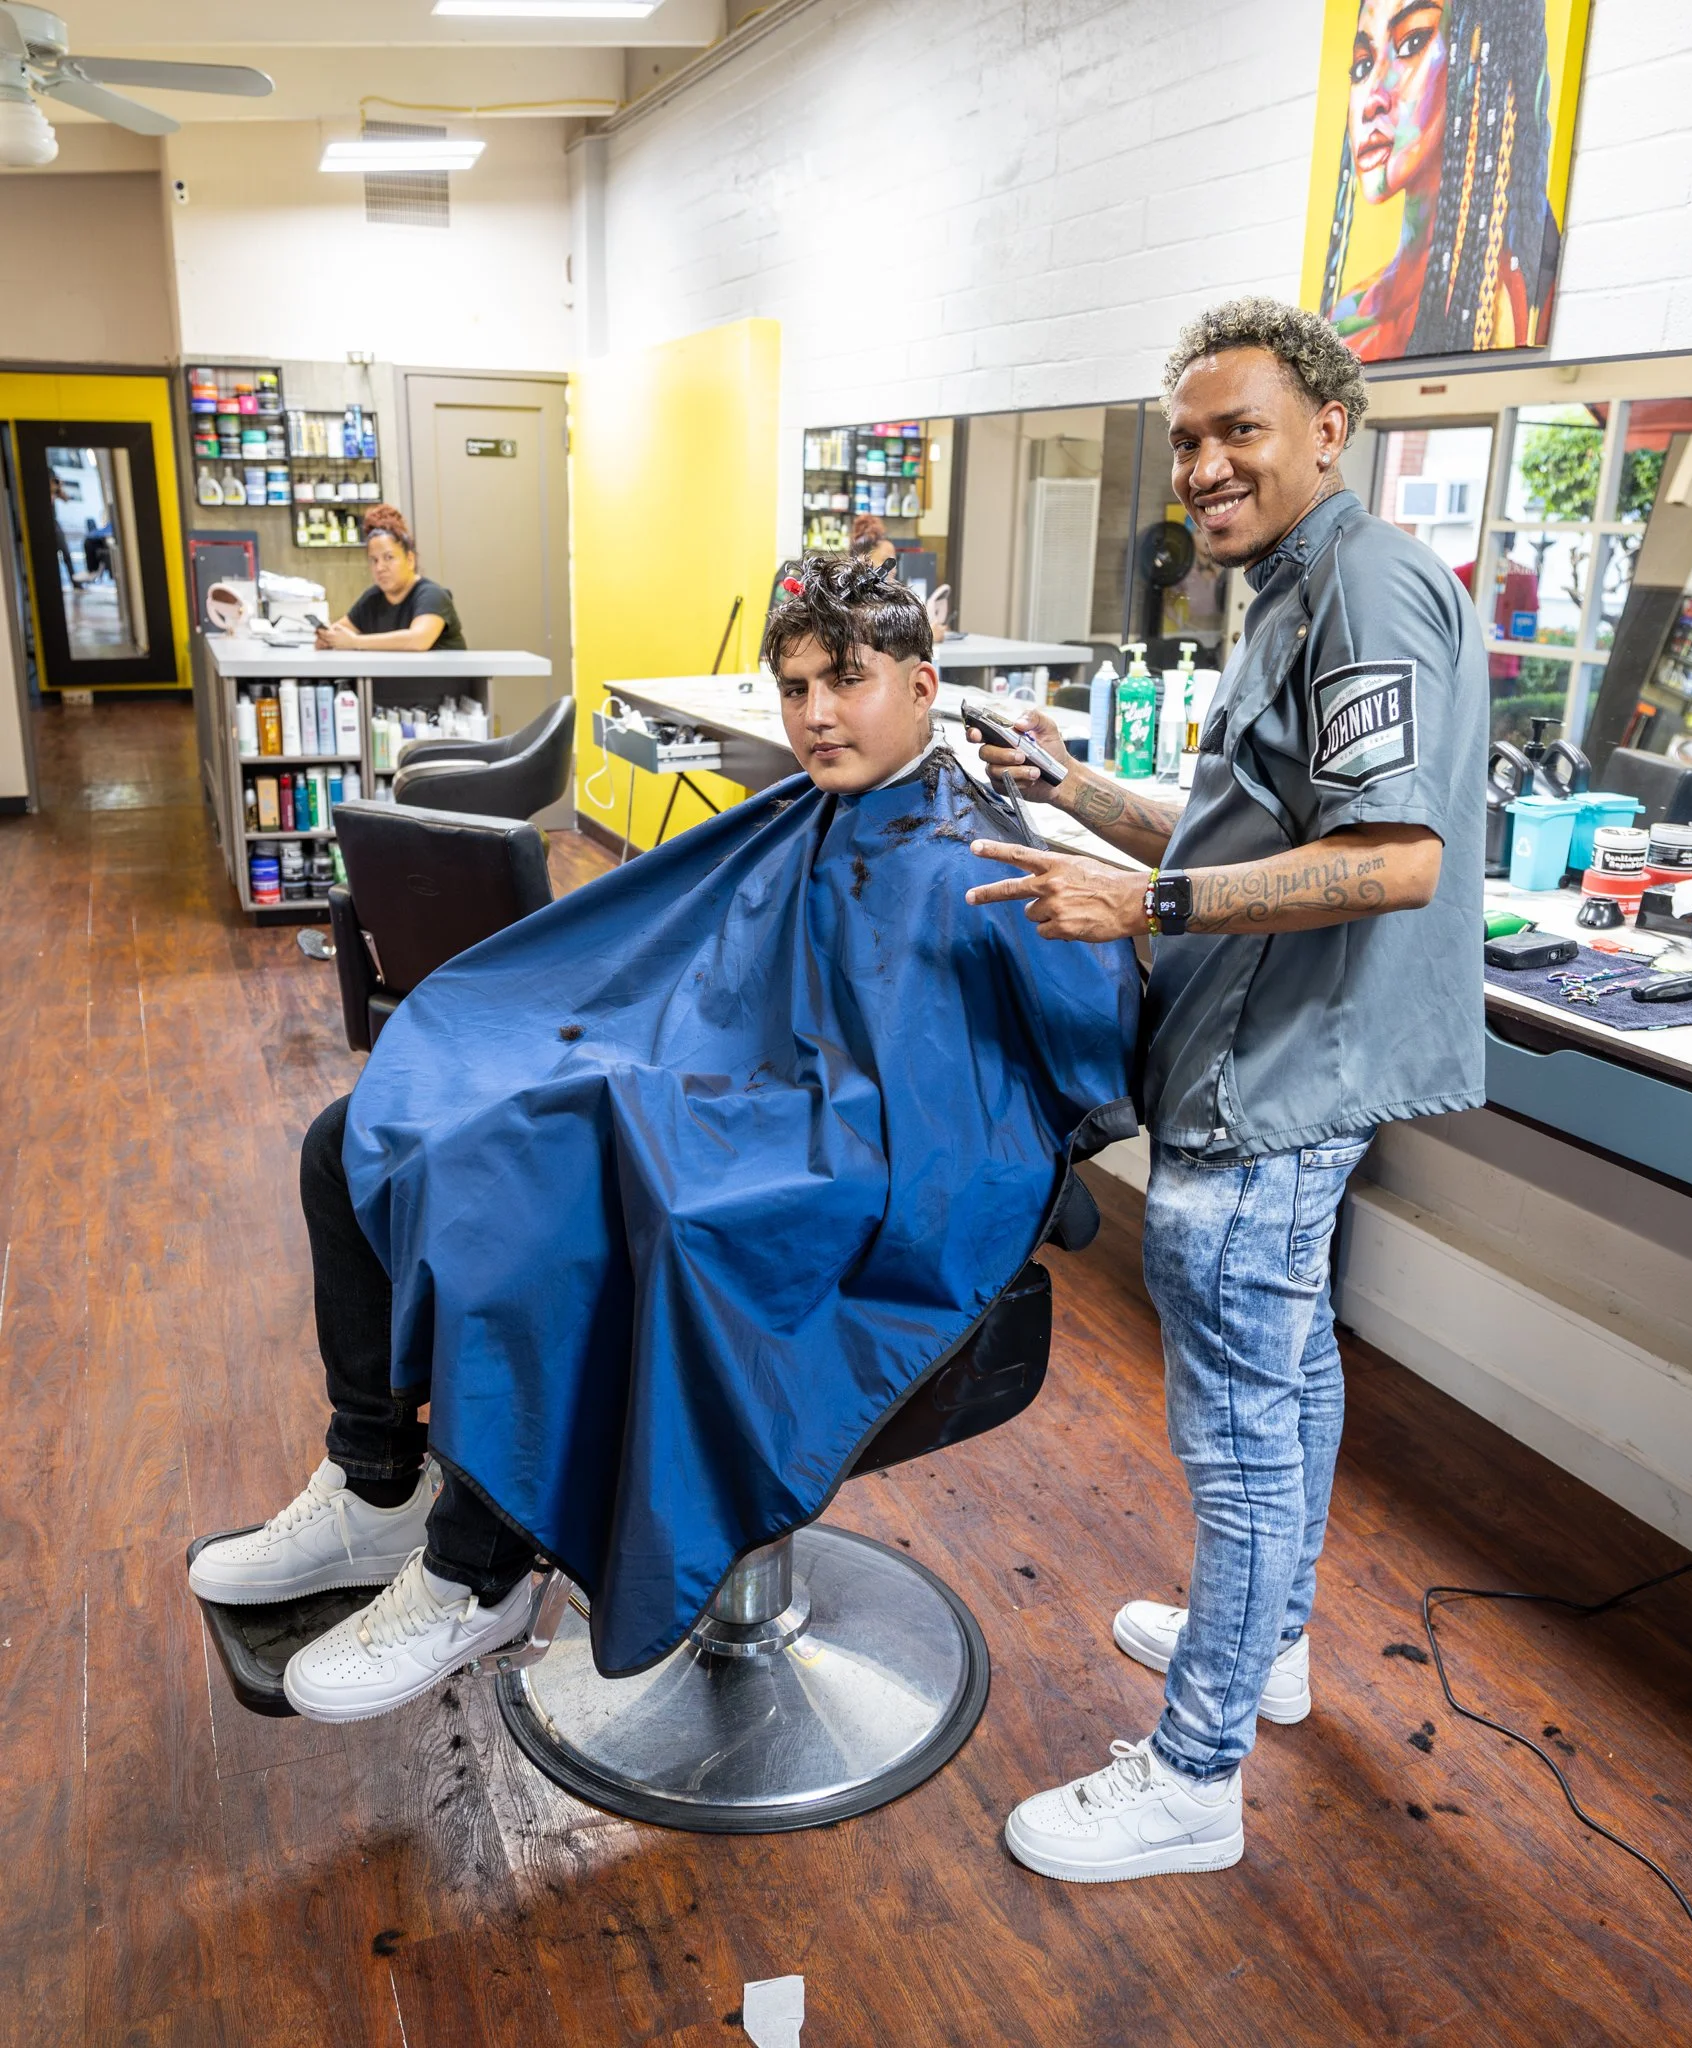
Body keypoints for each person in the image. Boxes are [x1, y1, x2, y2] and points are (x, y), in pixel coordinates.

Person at [188, 555, 1136, 1721]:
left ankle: (472, 1571)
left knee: (568, 1206)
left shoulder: (984, 849)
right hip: (718, 1080)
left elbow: (1076, 1048)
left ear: (926, 682)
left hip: (845, 1152)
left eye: (846, 680)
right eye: (793, 687)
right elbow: (704, 964)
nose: (814, 715)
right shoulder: (812, 812)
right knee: (353, 1135)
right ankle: (371, 1482)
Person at [965, 296, 1487, 1883]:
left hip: (1272, 1081)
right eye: (1185, 438)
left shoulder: (1369, 588)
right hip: (1257, 1053)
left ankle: (1193, 1775)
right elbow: (1236, 840)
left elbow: (1390, 861)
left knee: (1241, 1433)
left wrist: (1147, 911)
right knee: (1293, 1379)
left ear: (1329, 429)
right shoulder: (1281, 590)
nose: (1199, 466)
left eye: (1235, 431)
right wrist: (1076, 795)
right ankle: (1268, 1643)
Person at [1318, 0, 1562, 361]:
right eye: (1363, 65)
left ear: (1478, 57)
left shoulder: (1511, 300)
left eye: (1411, 43)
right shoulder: (1348, 320)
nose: (1372, 100)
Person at [314, 504, 466, 653]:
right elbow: (340, 631)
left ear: (410, 560)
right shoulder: (373, 598)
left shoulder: (432, 595)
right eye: (374, 560)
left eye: (389, 558)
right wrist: (327, 638)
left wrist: (355, 642)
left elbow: (418, 640)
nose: (380, 567)